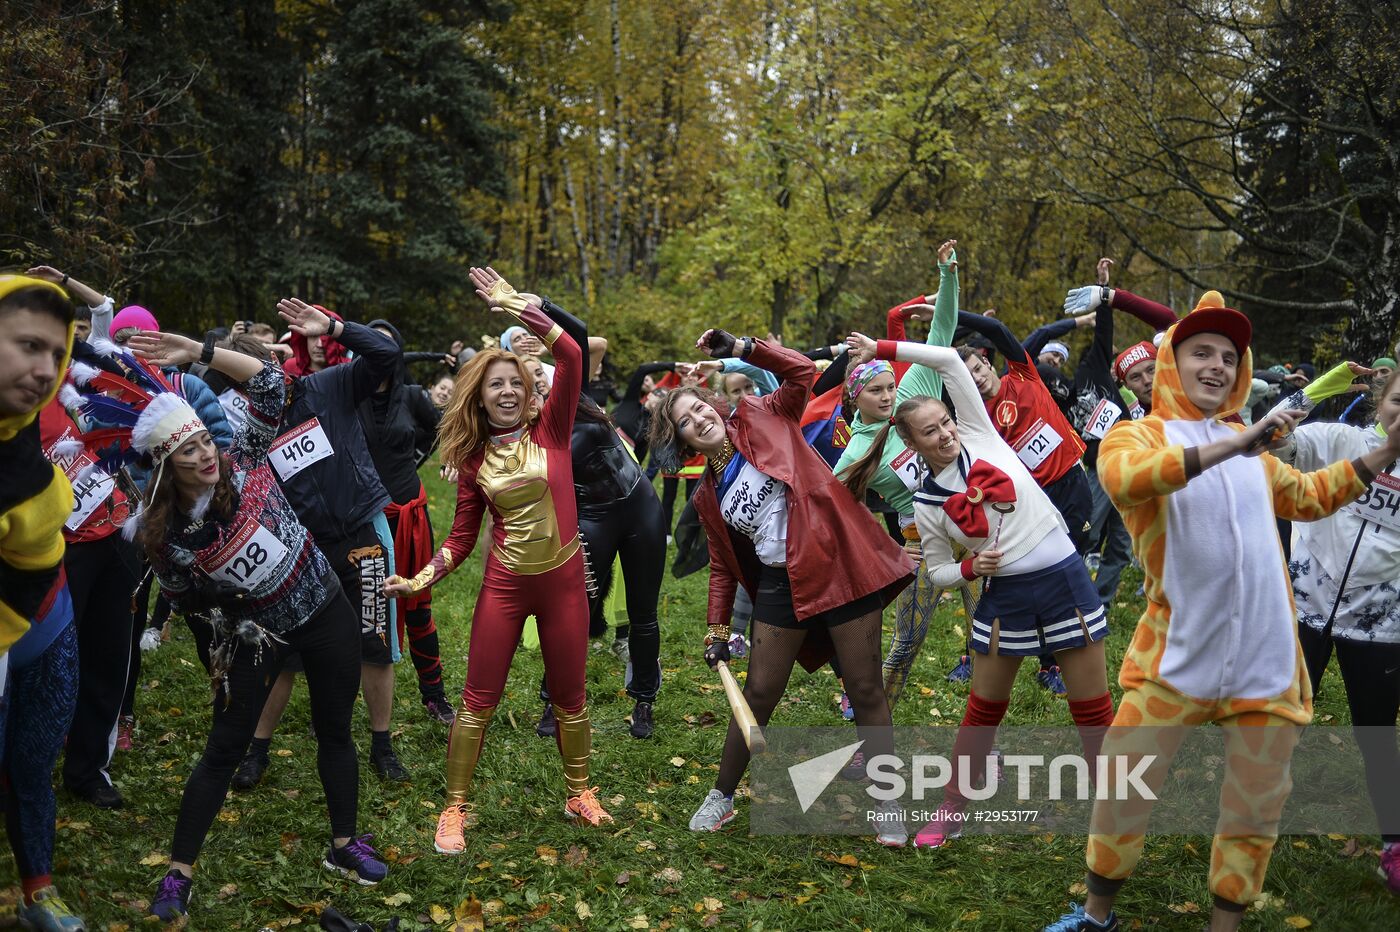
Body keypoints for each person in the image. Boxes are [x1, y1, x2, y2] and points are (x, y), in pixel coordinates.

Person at [1045, 296, 1400, 932]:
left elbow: (1312, 496)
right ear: (1172, 364)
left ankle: (1225, 923)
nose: (1217, 366)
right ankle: (1096, 914)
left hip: (1266, 665)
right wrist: (1235, 443)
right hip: (1174, 659)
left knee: (1256, 806)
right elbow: (1128, 479)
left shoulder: (1257, 456)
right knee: (1124, 785)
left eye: (1229, 358)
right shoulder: (1139, 434)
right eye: (1201, 353)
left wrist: (1384, 452)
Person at [83, 327, 386, 922]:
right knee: (224, 747)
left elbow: (272, 383)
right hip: (256, 634)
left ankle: (344, 845)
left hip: (325, 611)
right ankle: (179, 873)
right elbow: (181, 598)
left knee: (335, 729)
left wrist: (200, 352)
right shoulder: (164, 535)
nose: (205, 456)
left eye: (205, 441)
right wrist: (219, 619)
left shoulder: (242, 457)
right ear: (166, 467)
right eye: (188, 452)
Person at [847, 330, 1114, 849]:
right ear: (912, 443)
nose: (945, 434)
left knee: (1093, 709)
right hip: (1006, 596)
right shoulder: (926, 503)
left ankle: (1113, 810)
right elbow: (938, 572)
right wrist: (970, 570)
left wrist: (882, 349)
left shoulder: (980, 433)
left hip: (1064, 579)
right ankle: (952, 808)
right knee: (983, 711)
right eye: (930, 431)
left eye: (945, 422)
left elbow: (948, 359)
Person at [648, 327, 914, 845]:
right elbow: (723, 568)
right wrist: (716, 630)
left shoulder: (763, 415)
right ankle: (722, 797)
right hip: (780, 583)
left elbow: (802, 371)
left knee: (864, 687)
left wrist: (743, 349)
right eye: (685, 422)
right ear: (682, 441)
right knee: (759, 693)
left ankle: (887, 799)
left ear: (715, 406)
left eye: (700, 409)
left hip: (839, 565)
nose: (699, 420)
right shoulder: (706, 496)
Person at [384, 268, 614, 857]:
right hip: (506, 588)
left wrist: (517, 306)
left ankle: (578, 793)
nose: (508, 391)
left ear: (530, 391)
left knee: (571, 699)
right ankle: (454, 808)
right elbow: (461, 538)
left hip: (564, 586)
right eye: (495, 385)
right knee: (476, 703)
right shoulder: (472, 460)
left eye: (516, 382)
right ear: (480, 396)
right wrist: (420, 577)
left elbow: (571, 352)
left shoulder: (554, 428)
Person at [227, 299, 410, 789]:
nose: (257, 385)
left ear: (276, 364)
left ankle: (382, 745)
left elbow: (387, 356)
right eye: (245, 382)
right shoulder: (251, 430)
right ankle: (257, 751)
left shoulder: (328, 385)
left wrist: (334, 327)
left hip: (360, 535)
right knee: (283, 652)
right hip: (299, 552)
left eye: (260, 372)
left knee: (374, 642)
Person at [1275, 363, 1400, 891]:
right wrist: (1318, 387)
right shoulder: (1338, 441)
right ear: (1380, 402)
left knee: (1376, 736)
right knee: (1280, 721)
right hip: (1305, 606)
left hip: (1380, 624)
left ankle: (1394, 844)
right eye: (1399, 402)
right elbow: (1269, 439)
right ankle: (1254, 815)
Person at [836, 239, 974, 707]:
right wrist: (887, 550)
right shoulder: (857, 450)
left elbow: (941, 333)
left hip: (974, 526)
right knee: (907, 642)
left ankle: (983, 732)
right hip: (924, 541)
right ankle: (871, 717)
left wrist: (948, 275)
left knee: (989, 635)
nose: (887, 396)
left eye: (889, 386)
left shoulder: (912, 391)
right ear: (855, 396)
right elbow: (834, 512)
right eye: (875, 390)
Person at [530, 301, 667, 739]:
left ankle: (644, 700)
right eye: (524, 385)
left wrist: (536, 306)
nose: (534, 390)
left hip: (641, 507)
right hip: (592, 518)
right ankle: (554, 699)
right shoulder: (524, 440)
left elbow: (580, 331)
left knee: (643, 612)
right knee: (576, 612)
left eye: (537, 381)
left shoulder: (574, 398)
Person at [360, 318, 454, 725]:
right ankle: (337, 701)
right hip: (364, 520)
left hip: (410, 516)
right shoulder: (346, 397)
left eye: (386, 345)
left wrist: (449, 457)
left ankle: (434, 696)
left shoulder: (413, 396)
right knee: (358, 612)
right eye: (370, 343)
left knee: (417, 607)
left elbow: (447, 432)